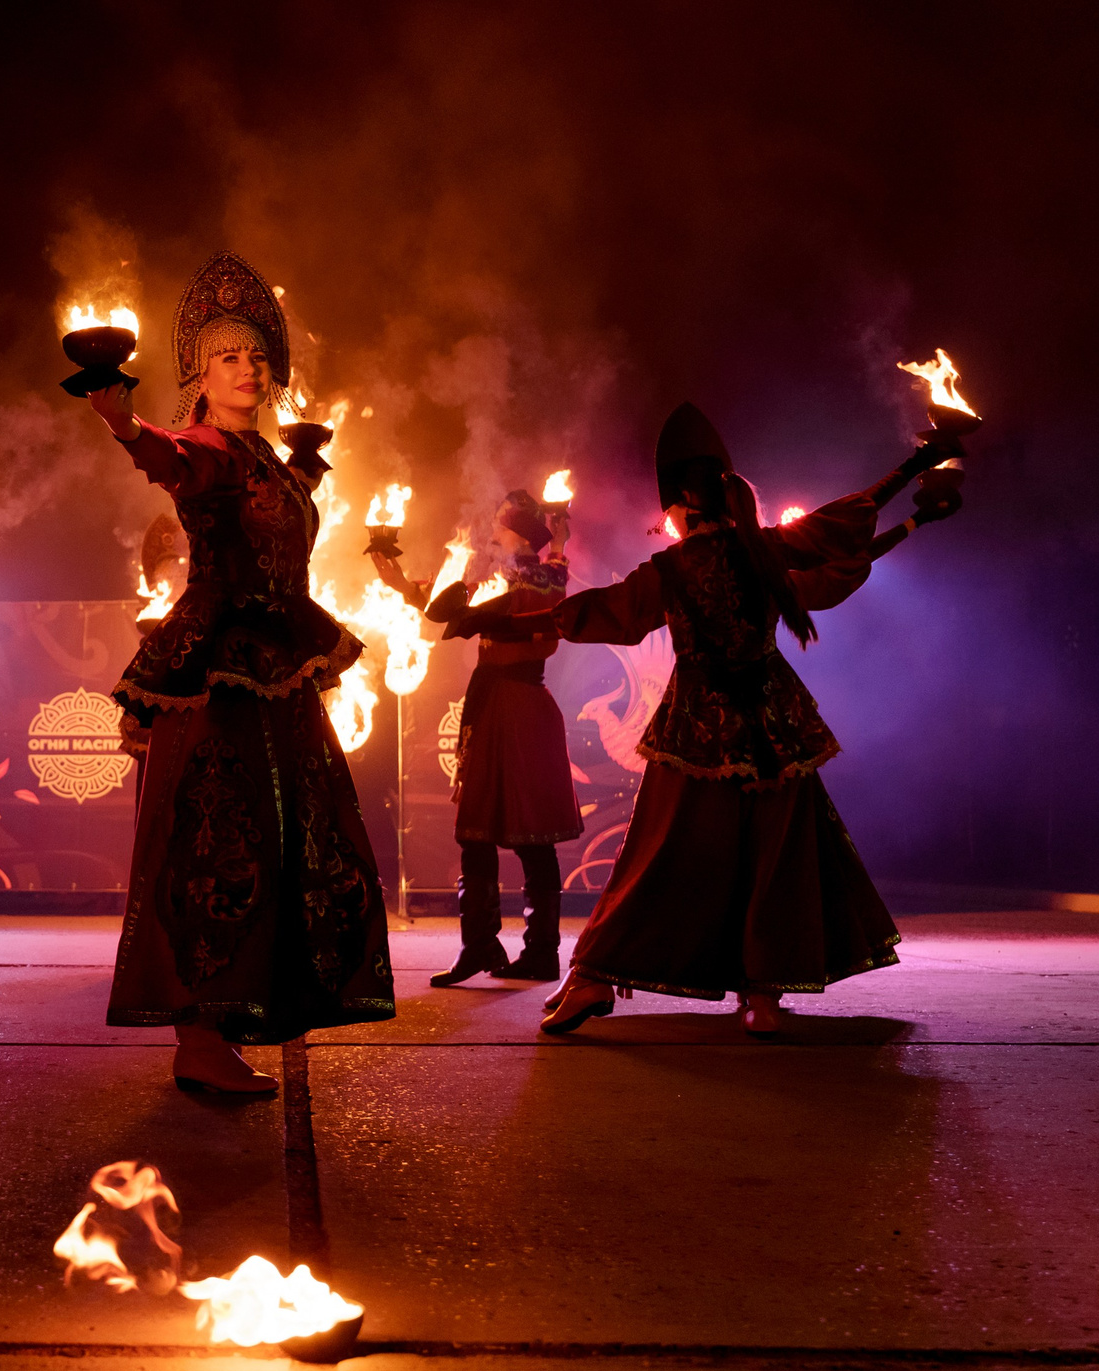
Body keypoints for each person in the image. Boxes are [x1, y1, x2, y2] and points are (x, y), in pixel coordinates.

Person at [534, 403, 962, 1036]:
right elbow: (842, 534)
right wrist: (919, 478)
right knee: (778, 857)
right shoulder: (765, 550)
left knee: (659, 855)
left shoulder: (674, 568)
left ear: (682, 499)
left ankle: (595, 977)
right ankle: (763, 998)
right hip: (775, 724)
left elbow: (613, 616)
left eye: (667, 511)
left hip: (698, 727)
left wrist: (528, 616)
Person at [83, 252, 395, 1095]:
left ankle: (237, 1016)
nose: (248, 369)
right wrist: (123, 424)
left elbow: (278, 517)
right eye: (229, 357)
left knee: (290, 841)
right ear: (199, 374)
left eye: (257, 356)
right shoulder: (209, 445)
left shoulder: (263, 455)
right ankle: (195, 1034)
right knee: (213, 843)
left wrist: (307, 470)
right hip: (221, 670)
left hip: (279, 672)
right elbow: (174, 460)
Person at [405, 489, 584, 986]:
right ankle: (480, 946)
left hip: (521, 708)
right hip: (493, 707)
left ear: (519, 536)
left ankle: (541, 953)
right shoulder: (506, 576)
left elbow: (540, 610)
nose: (489, 537)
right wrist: (402, 583)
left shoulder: (537, 577)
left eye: (499, 530)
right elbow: (449, 606)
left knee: (533, 834)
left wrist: (559, 546)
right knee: (475, 829)